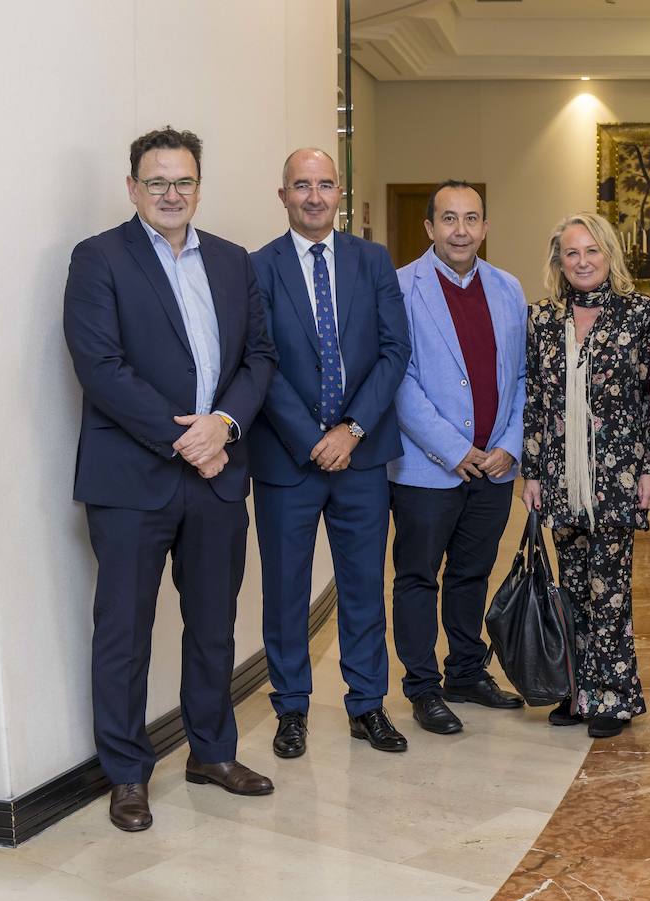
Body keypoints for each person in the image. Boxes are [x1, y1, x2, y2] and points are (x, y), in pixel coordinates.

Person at [63, 127, 278, 831]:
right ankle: (127, 773)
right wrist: (189, 439)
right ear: (132, 188)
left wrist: (225, 427)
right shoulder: (98, 259)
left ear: (198, 187)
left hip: (219, 473)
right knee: (125, 631)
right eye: (156, 182)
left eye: (183, 181)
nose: (170, 194)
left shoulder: (231, 260)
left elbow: (259, 358)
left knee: (214, 627)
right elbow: (100, 367)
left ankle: (212, 753)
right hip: (132, 478)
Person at [249, 149, 412, 757]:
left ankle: (367, 705)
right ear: (283, 194)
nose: (314, 196)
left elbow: (395, 351)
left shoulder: (372, 261)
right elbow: (258, 360)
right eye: (301, 186)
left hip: (362, 458)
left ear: (339, 191)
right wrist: (311, 438)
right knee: (286, 590)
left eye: (324, 185)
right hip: (285, 461)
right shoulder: (257, 268)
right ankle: (291, 708)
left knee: (364, 585)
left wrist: (351, 431)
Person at [389, 181, 527, 730]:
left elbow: (521, 377)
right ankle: (422, 687)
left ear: (485, 227)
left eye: (471, 219)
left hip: (494, 468)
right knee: (418, 576)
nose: (461, 230)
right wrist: (454, 449)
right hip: (427, 468)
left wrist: (507, 447)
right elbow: (399, 381)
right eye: (449, 219)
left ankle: (466, 671)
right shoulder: (400, 288)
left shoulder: (508, 288)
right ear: (429, 227)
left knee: (472, 573)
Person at [521, 212, 650, 739]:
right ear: (559, 261)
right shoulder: (543, 319)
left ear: (610, 256)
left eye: (592, 252)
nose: (582, 262)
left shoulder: (639, 315)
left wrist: (649, 466)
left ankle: (613, 695)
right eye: (571, 253)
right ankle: (577, 690)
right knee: (572, 583)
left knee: (610, 587)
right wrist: (531, 472)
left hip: (618, 472)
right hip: (560, 473)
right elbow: (535, 398)